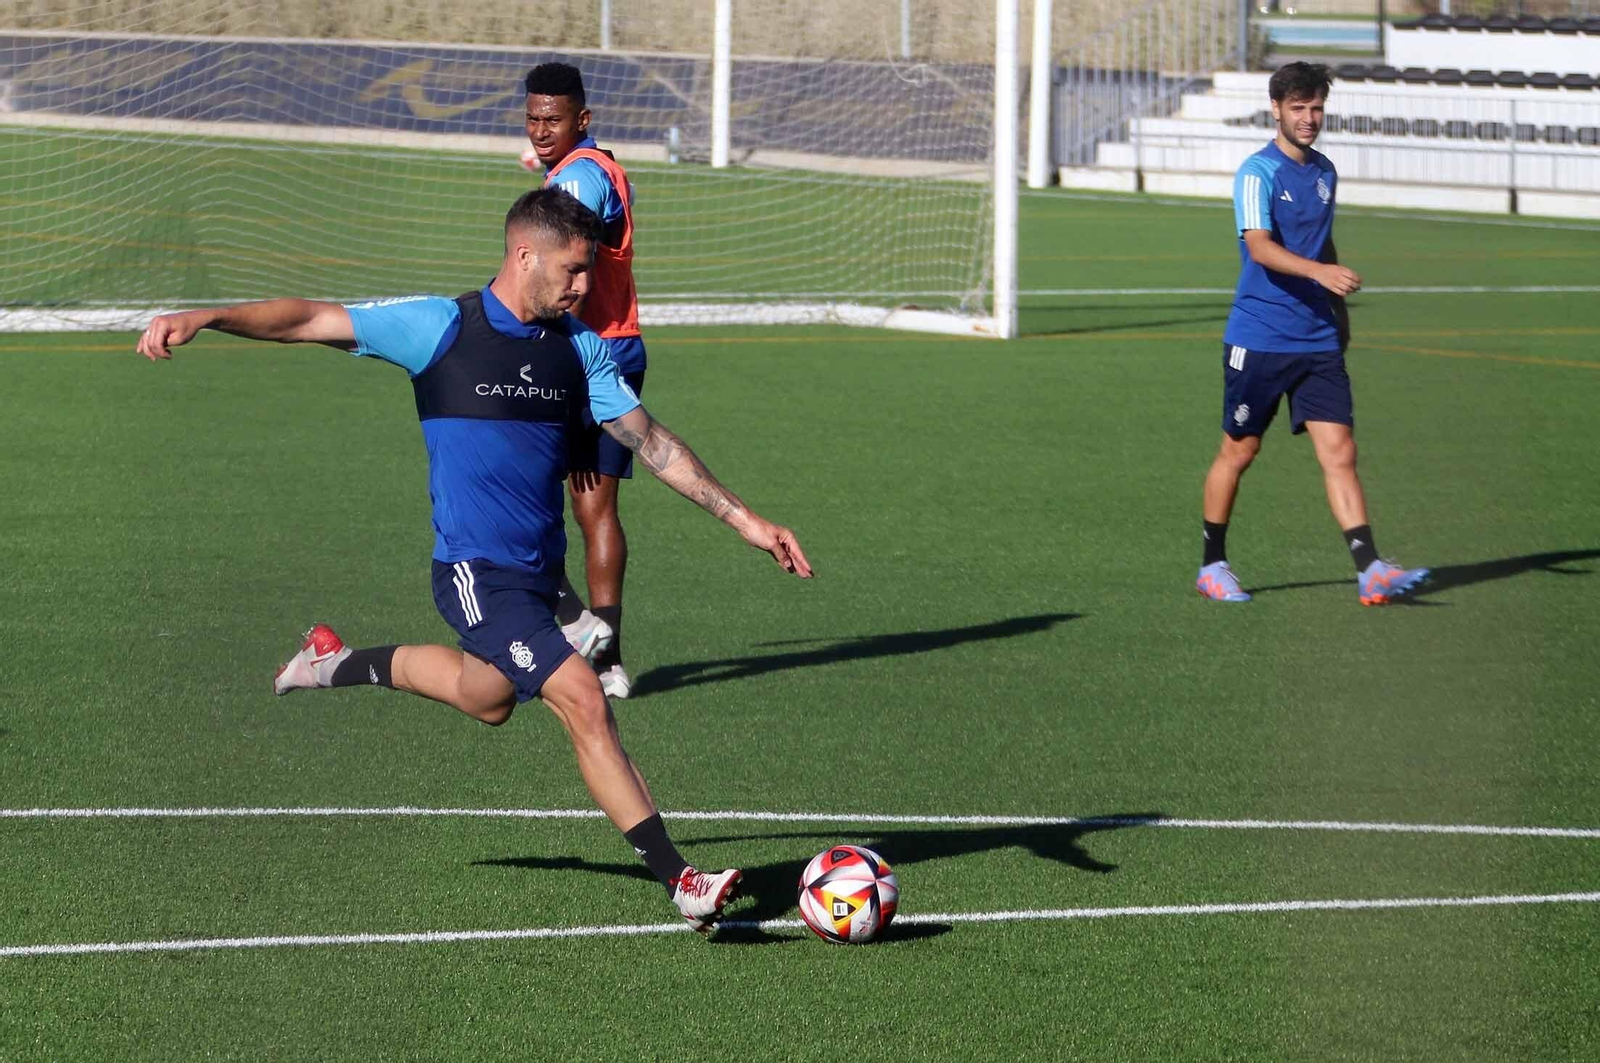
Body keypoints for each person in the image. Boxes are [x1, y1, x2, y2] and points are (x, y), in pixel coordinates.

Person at [135, 187, 814, 934]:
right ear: (525, 256)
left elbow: (650, 443)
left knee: (484, 697)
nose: (586, 285)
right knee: (582, 696)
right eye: (574, 269)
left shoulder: (578, 347)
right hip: (474, 572)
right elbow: (309, 318)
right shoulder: (440, 328)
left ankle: (331, 661)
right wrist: (208, 315)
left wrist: (746, 518)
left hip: (536, 575)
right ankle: (681, 879)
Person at [1196, 62, 1428, 606]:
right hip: (1259, 339)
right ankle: (1212, 565)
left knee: (1340, 451)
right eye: (1298, 108)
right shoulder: (1257, 172)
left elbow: (1322, 246)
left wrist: (1337, 315)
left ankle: (1370, 568)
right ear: (1275, 109)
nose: (1309, 118)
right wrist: (1320, 274)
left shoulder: (1325, 171)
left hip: (1317, 340)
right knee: (1239, 451)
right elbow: (1259, 246)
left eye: (1317, 107)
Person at [520, 61, 645, 699]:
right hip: (568, 353)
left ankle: (602, 653)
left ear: (583, 120)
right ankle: (581, 635)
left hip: (599, 359)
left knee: (590, 506)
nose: (542, 130)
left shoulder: (587, 177)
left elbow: (569, 227)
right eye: (534, 118)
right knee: (540, 495)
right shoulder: (578, 164)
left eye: (554, 119)